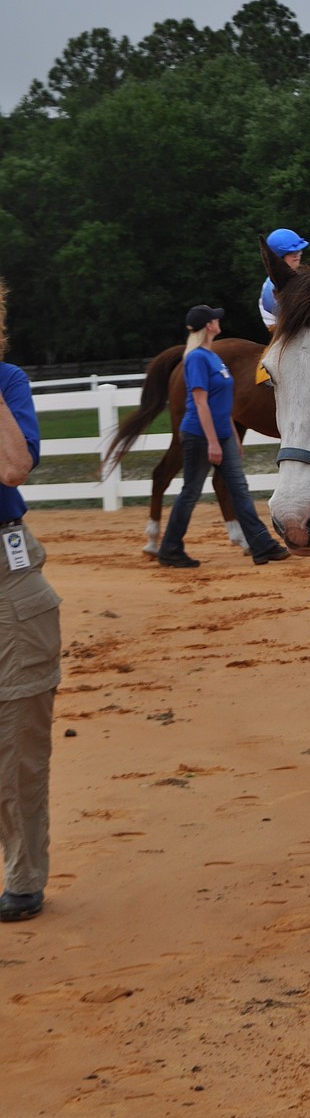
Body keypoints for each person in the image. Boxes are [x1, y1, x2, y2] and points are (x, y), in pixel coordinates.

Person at [0, 279, 62, 922]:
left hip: (7, 574)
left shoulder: (8, 380)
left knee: (17, 739)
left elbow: (14, 467)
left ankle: (22, 873)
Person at [158, 305, 289, 568]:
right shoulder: (195, 358)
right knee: (191, 491)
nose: (219, 321)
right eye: (215, 319)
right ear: (208, 325)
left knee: (239, 489)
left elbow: (223, 400)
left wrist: (230, 434)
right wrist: (214, 441)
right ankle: (170, 548)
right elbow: (200, 402)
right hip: (199, 434)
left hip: (222, 433)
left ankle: (262, 545)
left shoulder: (212, 356)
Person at [259, 228, 309, 330]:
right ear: (278, 258)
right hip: (286, 334)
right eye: (291, 253)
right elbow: (295, 315)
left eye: (298, 251)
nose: (297, 256)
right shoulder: (272, 285)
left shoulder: (299, 276)